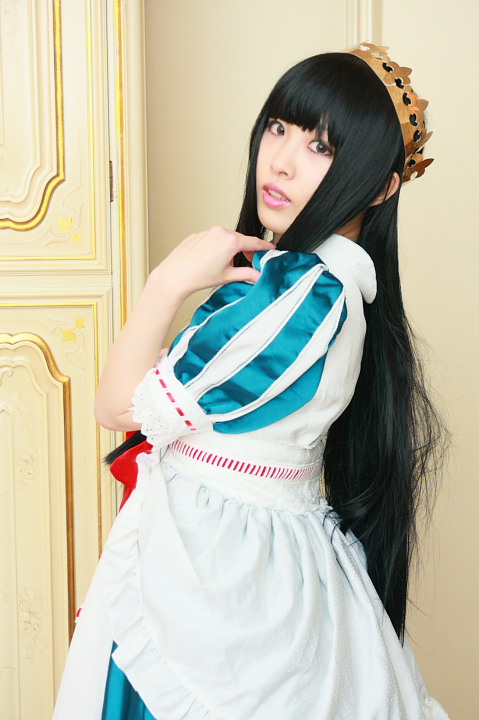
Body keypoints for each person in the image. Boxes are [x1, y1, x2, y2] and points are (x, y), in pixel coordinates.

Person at [53, 43, 450, 719]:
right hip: (249, 555)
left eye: (320, 147)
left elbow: (116, 406)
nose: (282, 161)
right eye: (278, 128)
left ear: (380, 187)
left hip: (216, 572)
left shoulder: (300, 294)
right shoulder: (322, 287)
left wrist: (166, 282)